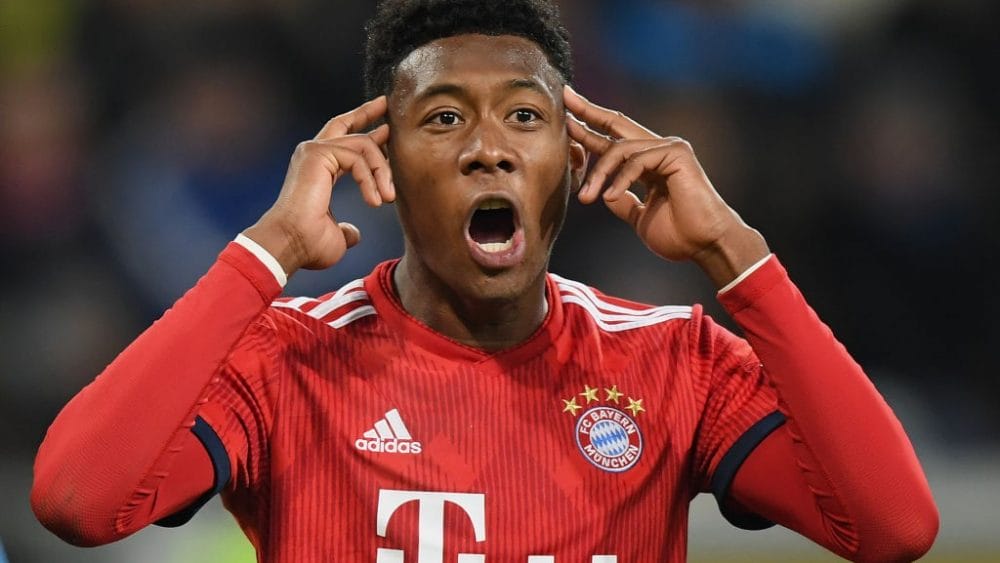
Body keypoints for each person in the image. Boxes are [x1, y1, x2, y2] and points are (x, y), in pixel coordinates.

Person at [32, 0, 939, 561]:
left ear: (571, 157)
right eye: (442, 118)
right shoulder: (286, 358)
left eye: (522, 116)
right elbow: (79, 500)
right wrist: (263, 252)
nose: (487, 148)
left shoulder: (675, 361)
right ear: (380, 160)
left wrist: (740, 259)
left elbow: (894, 525)